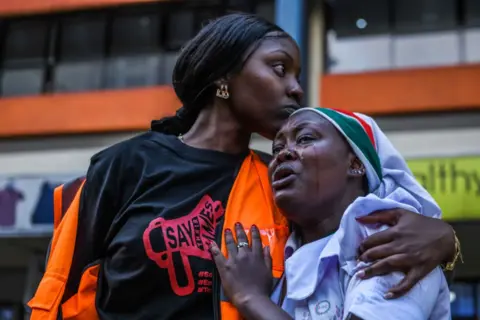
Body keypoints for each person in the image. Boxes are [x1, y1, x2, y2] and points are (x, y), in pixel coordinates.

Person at [29, 13, 459, 320]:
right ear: (223, 77)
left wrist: (444, 239)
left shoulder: (283, 180)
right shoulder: (125, 165)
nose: (295, 87)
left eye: (296, 74)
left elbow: (351, 231)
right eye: (279, 68)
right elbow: (56, 293)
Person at [210, 107, 452, 320]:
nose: (283, 154)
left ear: (356, 164)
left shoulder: (397, 246)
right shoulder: (280, 256)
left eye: (305, 139)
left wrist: (252, 298)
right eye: (277, 148)